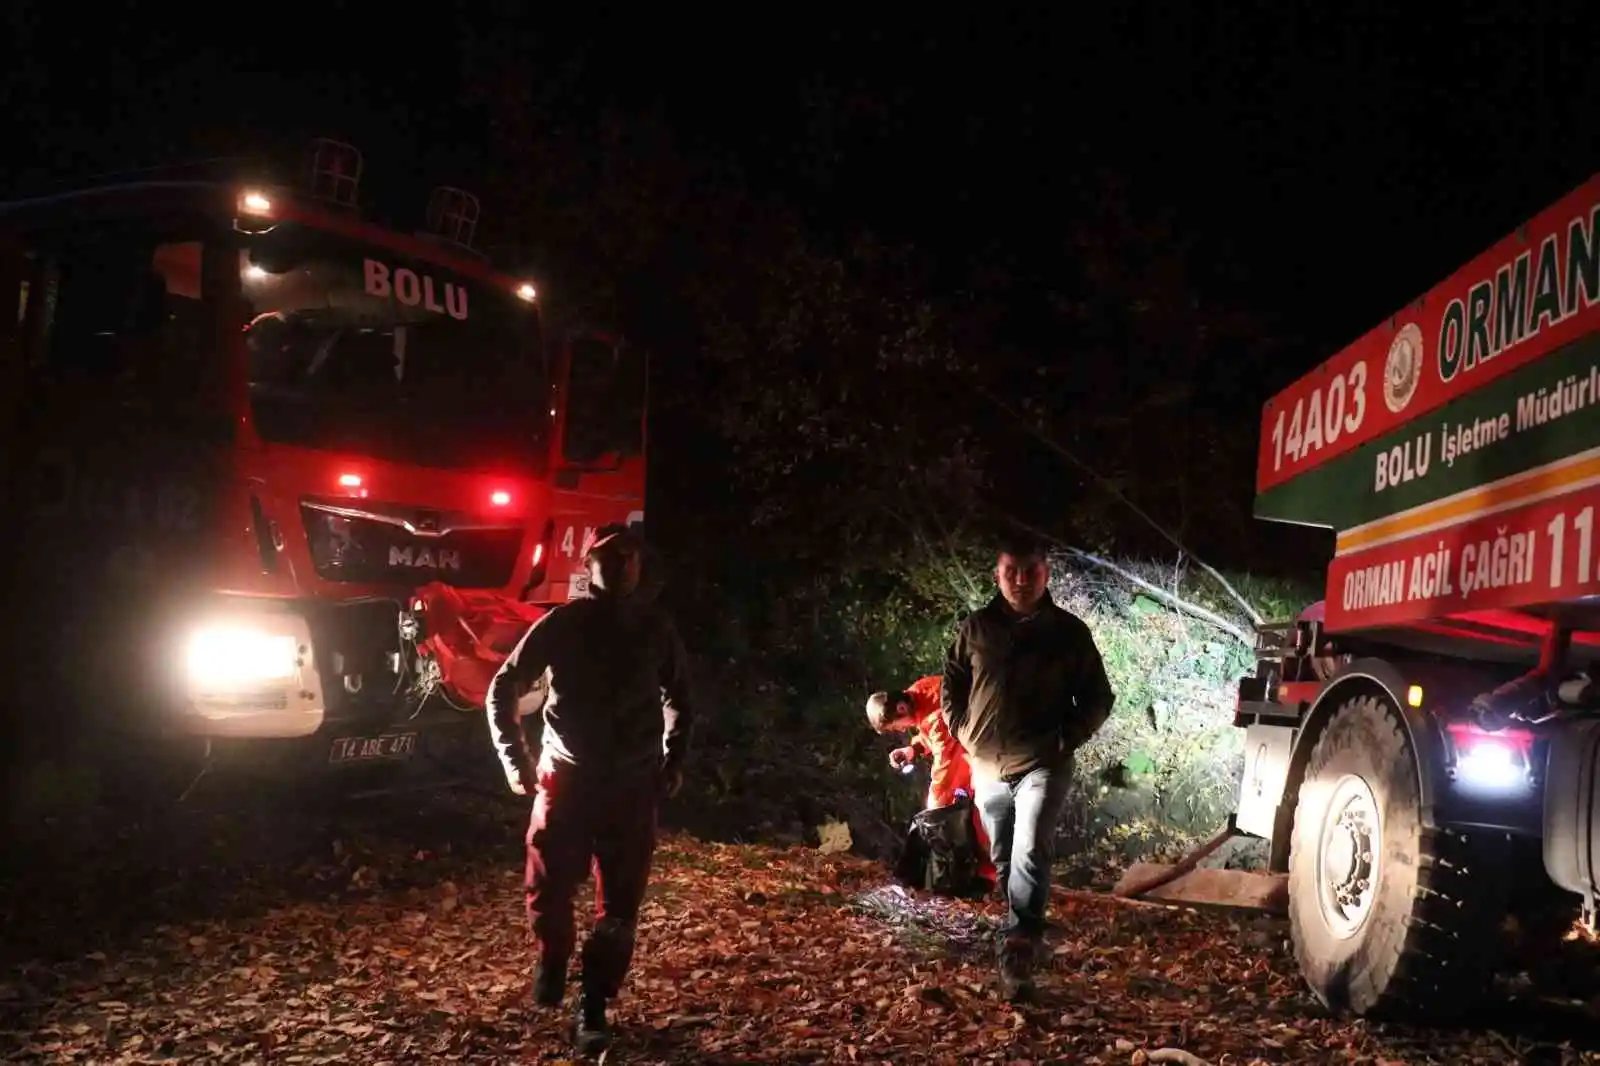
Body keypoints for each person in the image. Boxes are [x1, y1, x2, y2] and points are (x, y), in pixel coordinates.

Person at [485, 523, 695, 1053]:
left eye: (630, 558)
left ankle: (593, 1006)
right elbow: (503, 685)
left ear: (641, 568)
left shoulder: (656, 629)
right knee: (549, 889)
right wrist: (516, 759)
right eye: (609, 556)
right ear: (590, 565)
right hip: (567, 778)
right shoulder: (563, 623)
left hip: (632, 784)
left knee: (619, 909)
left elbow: (681, 699)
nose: (621, 565)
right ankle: (554, 958)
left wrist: (674, 758)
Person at [941, 534, 1115, 1002]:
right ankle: (1021, 917)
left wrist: (1066, 739)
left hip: (1043, 761)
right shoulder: (976, 628)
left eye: (1031, 571)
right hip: (987, 763)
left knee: (1030, 845)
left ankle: (1020, 940)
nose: (1021, 581)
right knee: (1000, 852)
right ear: (998, 576)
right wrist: (962, 731)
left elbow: (1099, 697)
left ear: (1046, 574)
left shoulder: (1068, 632)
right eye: (1011, 572)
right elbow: (952, 683)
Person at [865, 677, 996, 891]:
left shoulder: (936, 716)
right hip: (969, 745)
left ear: (900, 708)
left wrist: (934, 807)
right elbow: (929, 731)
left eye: (896, 727)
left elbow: (946, 762)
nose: (900, 732)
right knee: (963, 811)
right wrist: (913, 749)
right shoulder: (919, 692)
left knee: (972, 812)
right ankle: (976, 874)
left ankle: (982, 878)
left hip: (983, 750)